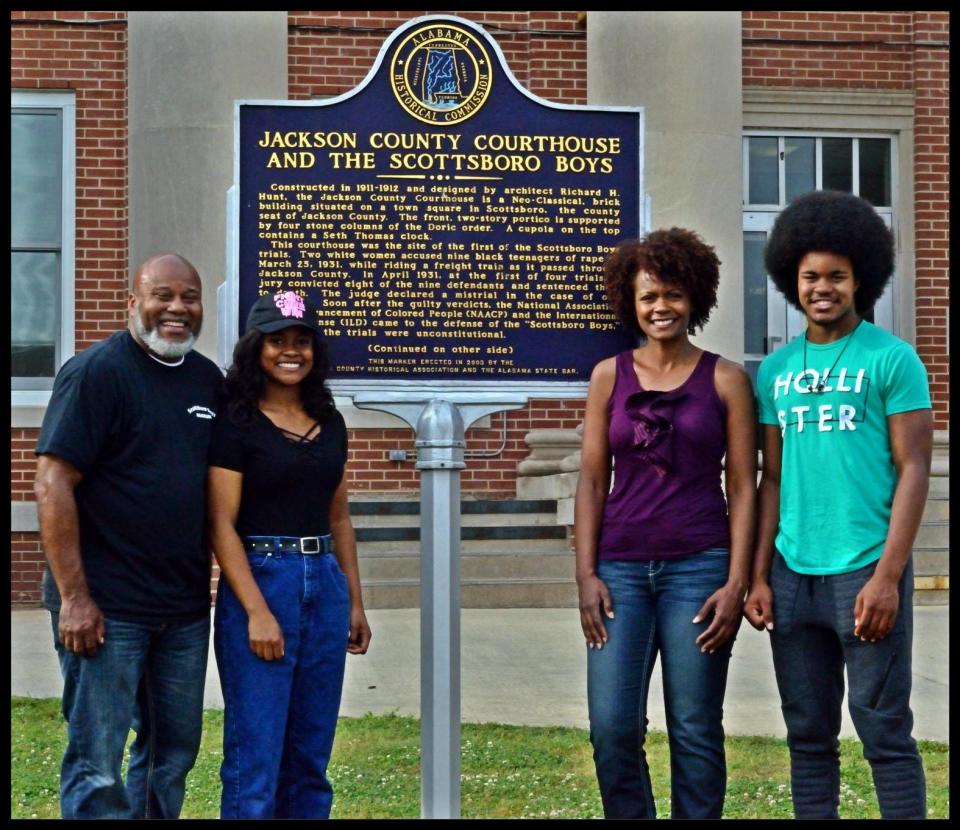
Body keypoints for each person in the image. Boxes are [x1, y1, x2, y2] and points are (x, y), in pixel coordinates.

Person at [743, 190, 932, 819]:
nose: (822, 288)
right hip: (793, 572)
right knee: (807, 737)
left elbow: (914, 470)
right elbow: (770, 478)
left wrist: (887, 578)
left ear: (861, 279)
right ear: (790, 281)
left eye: (836, 277)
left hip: (864, 567)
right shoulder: (773, 372)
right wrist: (758, 574)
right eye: (810, 277)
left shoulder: (893, 359)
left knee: (884, 733)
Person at [575, 228, 757, 819]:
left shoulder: (726, 378)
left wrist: (737, 582)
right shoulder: (609, 376)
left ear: (695, 299)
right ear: (630, 300)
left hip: (699, 568)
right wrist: (585, 574)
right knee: (611, 726)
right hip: (620, 570)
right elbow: (592, 481)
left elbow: (743, 484)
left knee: (696, 726)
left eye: (674, 295)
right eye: (649, 295)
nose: (661, 308)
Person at [33, 253, 223, 819]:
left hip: (183, 609)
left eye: (189, 297)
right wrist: (74, 598)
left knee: (172, 753)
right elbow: (53, 483)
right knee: (97, 759)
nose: (177, 308)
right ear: (133, 303)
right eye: (162, 295)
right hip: (106, 608)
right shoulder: (96, 374)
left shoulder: (206, 381)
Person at [208, 290, 372, 819]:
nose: (291, 351)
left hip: (323, 582)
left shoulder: (331, 422)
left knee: (309, 756)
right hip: (264, 577)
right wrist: (256, 611)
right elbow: (221, 524)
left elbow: (339, 518)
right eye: (277, 341)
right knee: (255, 757)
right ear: (256, 348)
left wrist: (353, 601)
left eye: (301, 340)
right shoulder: (235, 421)